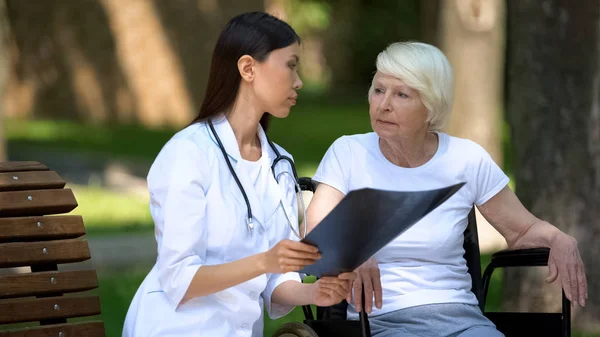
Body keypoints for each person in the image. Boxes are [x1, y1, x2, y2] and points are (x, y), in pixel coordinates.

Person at [305, 41, 587, 337]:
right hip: (377, 323)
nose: (383, 104)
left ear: (431, 105)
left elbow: (522, 230)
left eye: (401, 94)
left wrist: (559, 239)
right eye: (378, 90)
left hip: (461, 318)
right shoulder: (348, 152)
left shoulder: (465, 159)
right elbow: (314, 229)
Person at [122, 12, 355, 337]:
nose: (299, 81)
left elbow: (277, 277)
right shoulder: (188, 153)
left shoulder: (279, 164)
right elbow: (179, 278)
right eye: (291, 65)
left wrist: (316, 293)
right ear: (248, 68)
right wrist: (264, 262)